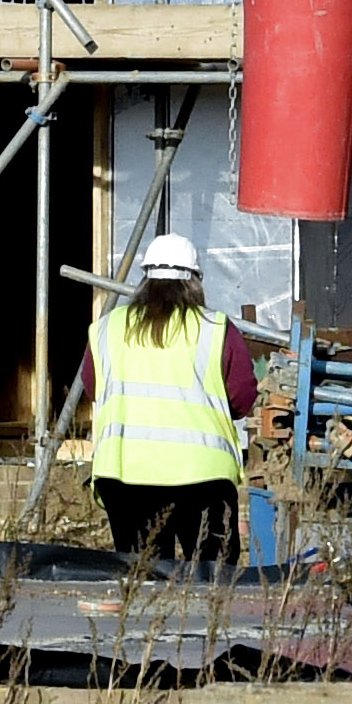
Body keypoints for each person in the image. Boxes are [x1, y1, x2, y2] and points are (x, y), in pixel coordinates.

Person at [84, 230, 264, 572]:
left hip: (124, 477)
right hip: (202, 478)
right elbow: (242, 398)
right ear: (195, 280)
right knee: (215, 580)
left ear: (144, 278)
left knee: (142, 581)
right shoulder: (215, 329)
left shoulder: (107, 328)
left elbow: (95, 389)